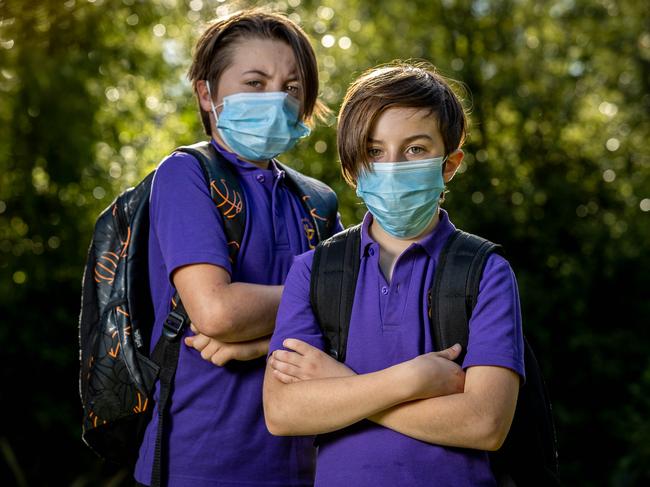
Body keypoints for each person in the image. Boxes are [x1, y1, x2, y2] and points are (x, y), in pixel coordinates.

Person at [263, 62, 525, 486]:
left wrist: (342, 387)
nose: (393, 165)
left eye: (416, 149)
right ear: (352, 167)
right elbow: (282, 412)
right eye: (373, 150)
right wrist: (411, 379)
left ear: (450, 164)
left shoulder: (485, 273)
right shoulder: (313, 271)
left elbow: (485, 424)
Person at [134, 9, 342, 487]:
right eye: (254, 81)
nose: (275, 98)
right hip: (200, 462)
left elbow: (355, 317)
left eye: (290, 87)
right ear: (208, 94)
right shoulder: (186, 175)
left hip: (307, 465)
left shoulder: (318, 200)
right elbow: (217, 314)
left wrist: (257, 341)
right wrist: (314, 303)